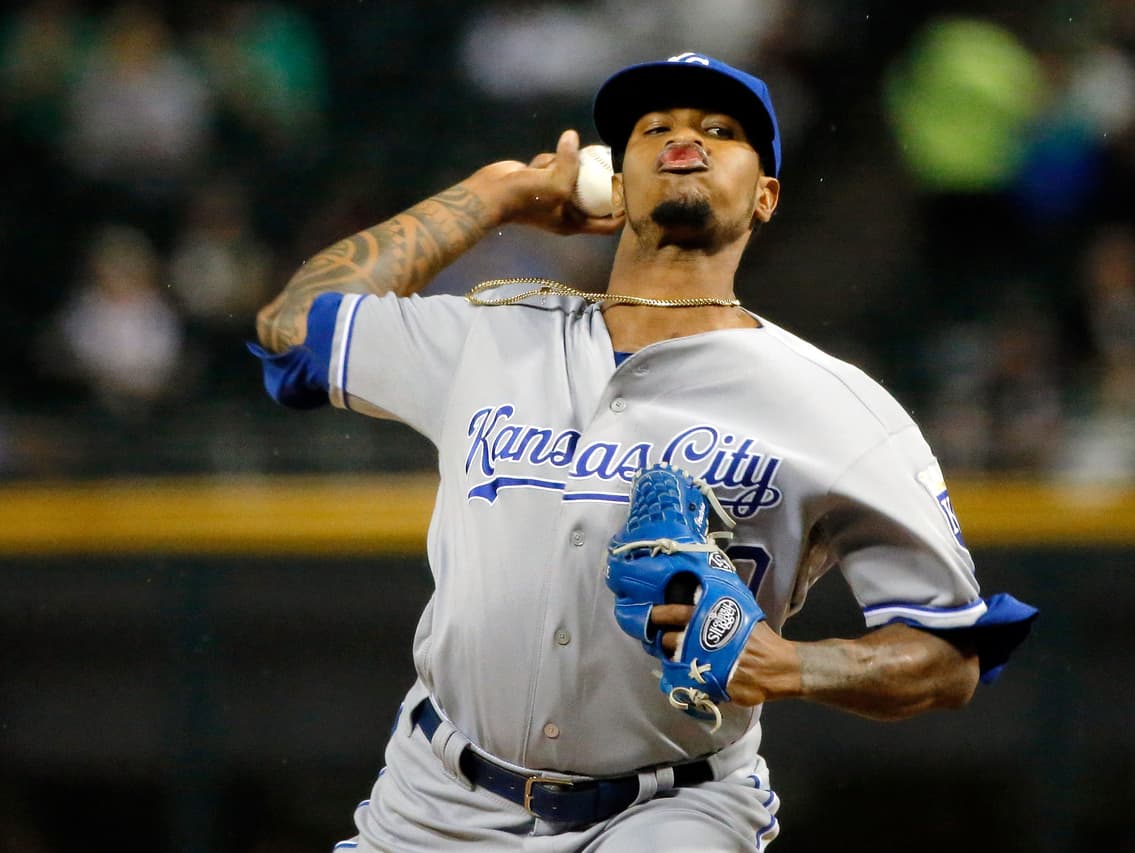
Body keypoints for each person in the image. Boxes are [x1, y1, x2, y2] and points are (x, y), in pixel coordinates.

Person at [252, 52, 1036, 853]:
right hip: (434, 802)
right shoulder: (488, 337)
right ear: (614, 185)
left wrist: (792, 664)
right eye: (653, 127)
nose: (683, 139)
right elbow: (289, 330)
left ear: (765, 196)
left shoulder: (837, 407)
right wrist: (499, 195)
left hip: (671, 810)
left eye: (720, 130)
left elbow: (948, 657)